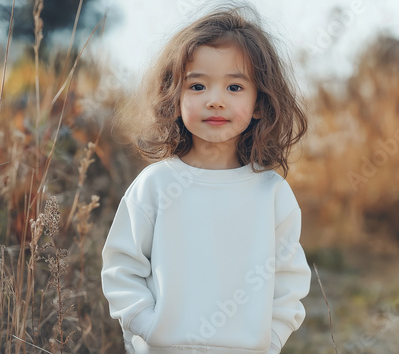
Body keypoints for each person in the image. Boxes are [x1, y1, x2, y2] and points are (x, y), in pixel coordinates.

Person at [101, 6, 311, 354]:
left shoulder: (272, 193)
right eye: (197, 85)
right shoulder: (154, 185)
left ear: (259, 102)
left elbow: (289, 281)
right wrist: (149, 327)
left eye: (234, 86)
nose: (215, 100)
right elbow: (122, 267)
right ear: (176, 96)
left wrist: (270, 340)